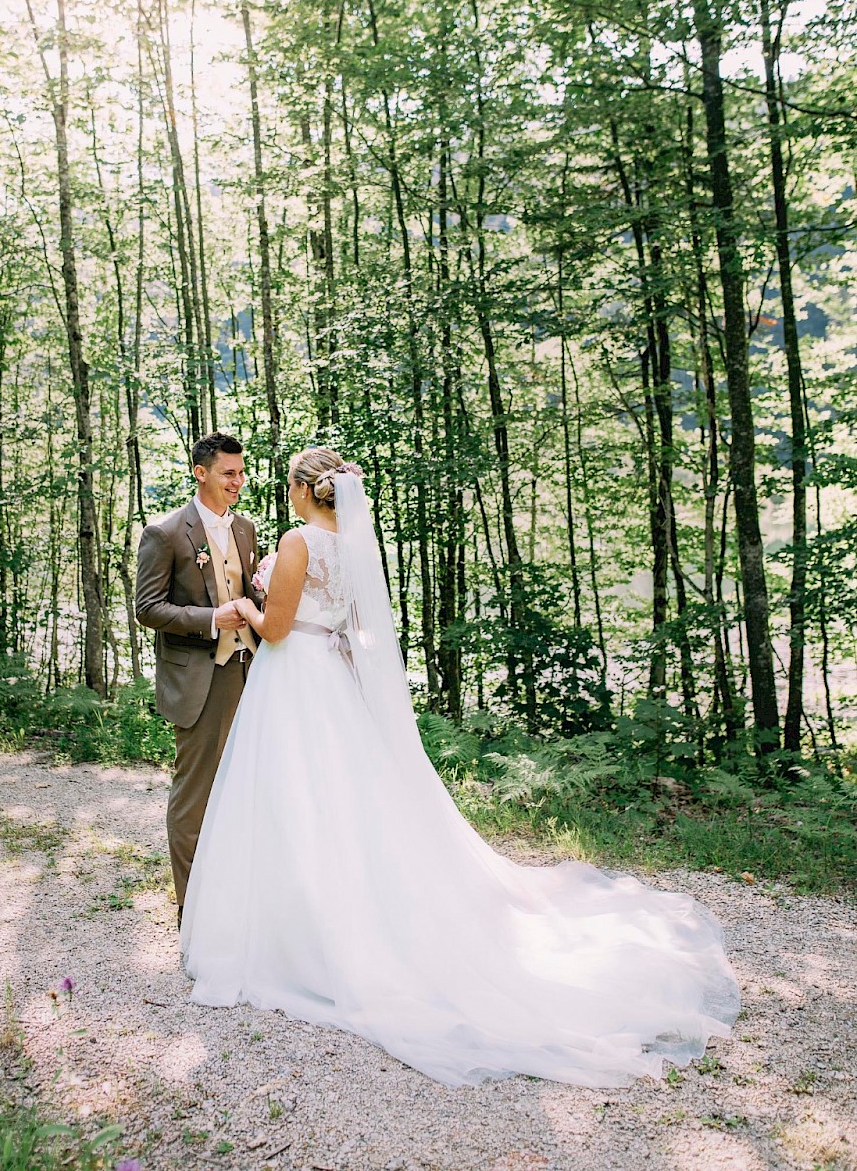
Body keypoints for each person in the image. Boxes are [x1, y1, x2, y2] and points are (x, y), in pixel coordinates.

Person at [179, 446, 740, 1088]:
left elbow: (276, 630)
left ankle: (291, 934)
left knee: (289, 804)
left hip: (293, 682)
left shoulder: (299, 540)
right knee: (340, 806)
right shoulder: (353, 544)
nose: (285, 494)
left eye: (288, 484)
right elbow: (353, 629)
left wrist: (245, 607)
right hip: (331, 681)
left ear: (308, 489)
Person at [135, 431, 263, 928]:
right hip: (201, 678)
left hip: (254, 671)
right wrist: (212, 620)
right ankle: (192, 904)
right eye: (229, 472)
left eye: (241, 471)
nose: (238, 481)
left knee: (246, 783)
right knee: (196, 790)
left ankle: (235, 888)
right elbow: (148, 609)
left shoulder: (246, 529)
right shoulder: (165, 534)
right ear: (201, 473)